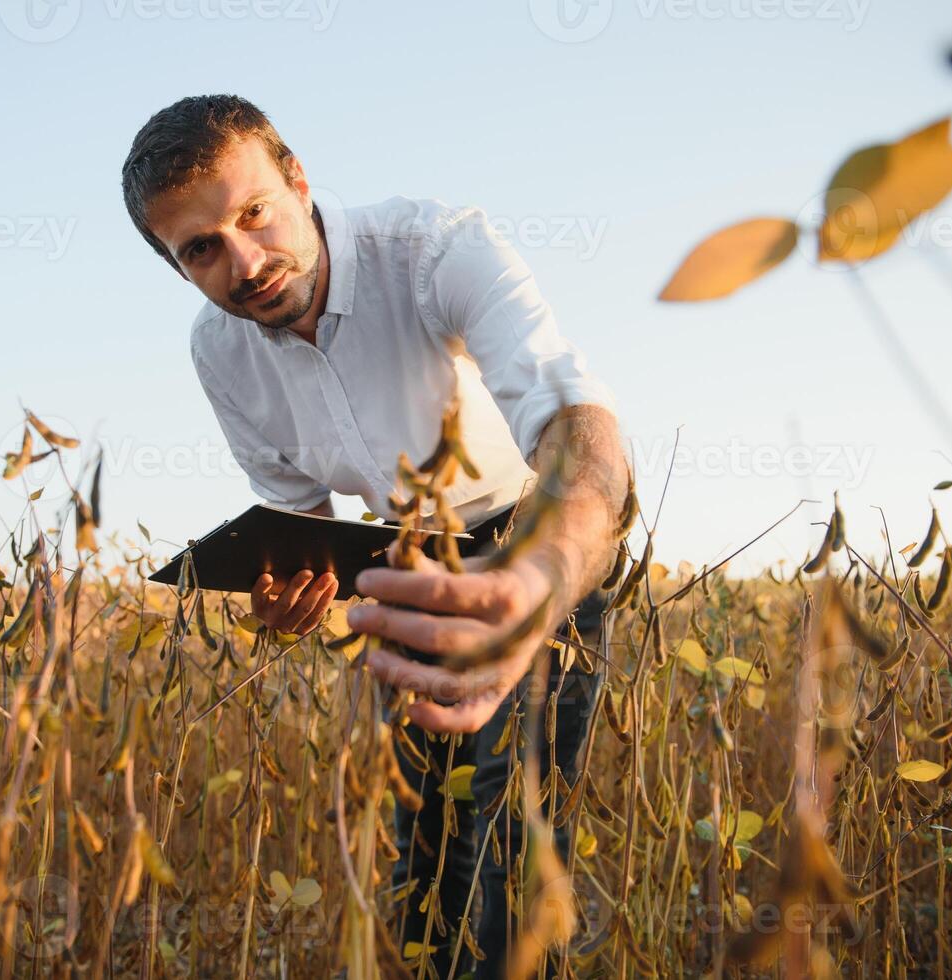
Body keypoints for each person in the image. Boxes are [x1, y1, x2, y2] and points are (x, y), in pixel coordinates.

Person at [121, 94, 630, 978]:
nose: (244, 262)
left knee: (511, 851)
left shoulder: (436, 248)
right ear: (178, 267)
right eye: (201, 248)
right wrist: (291, 604)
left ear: (298, 180)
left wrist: (537, 579)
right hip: (405, 564)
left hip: (540, 537)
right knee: (425, 856)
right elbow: (304, 529)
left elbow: (580, 439)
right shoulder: (219, 352)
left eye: (253, 215)